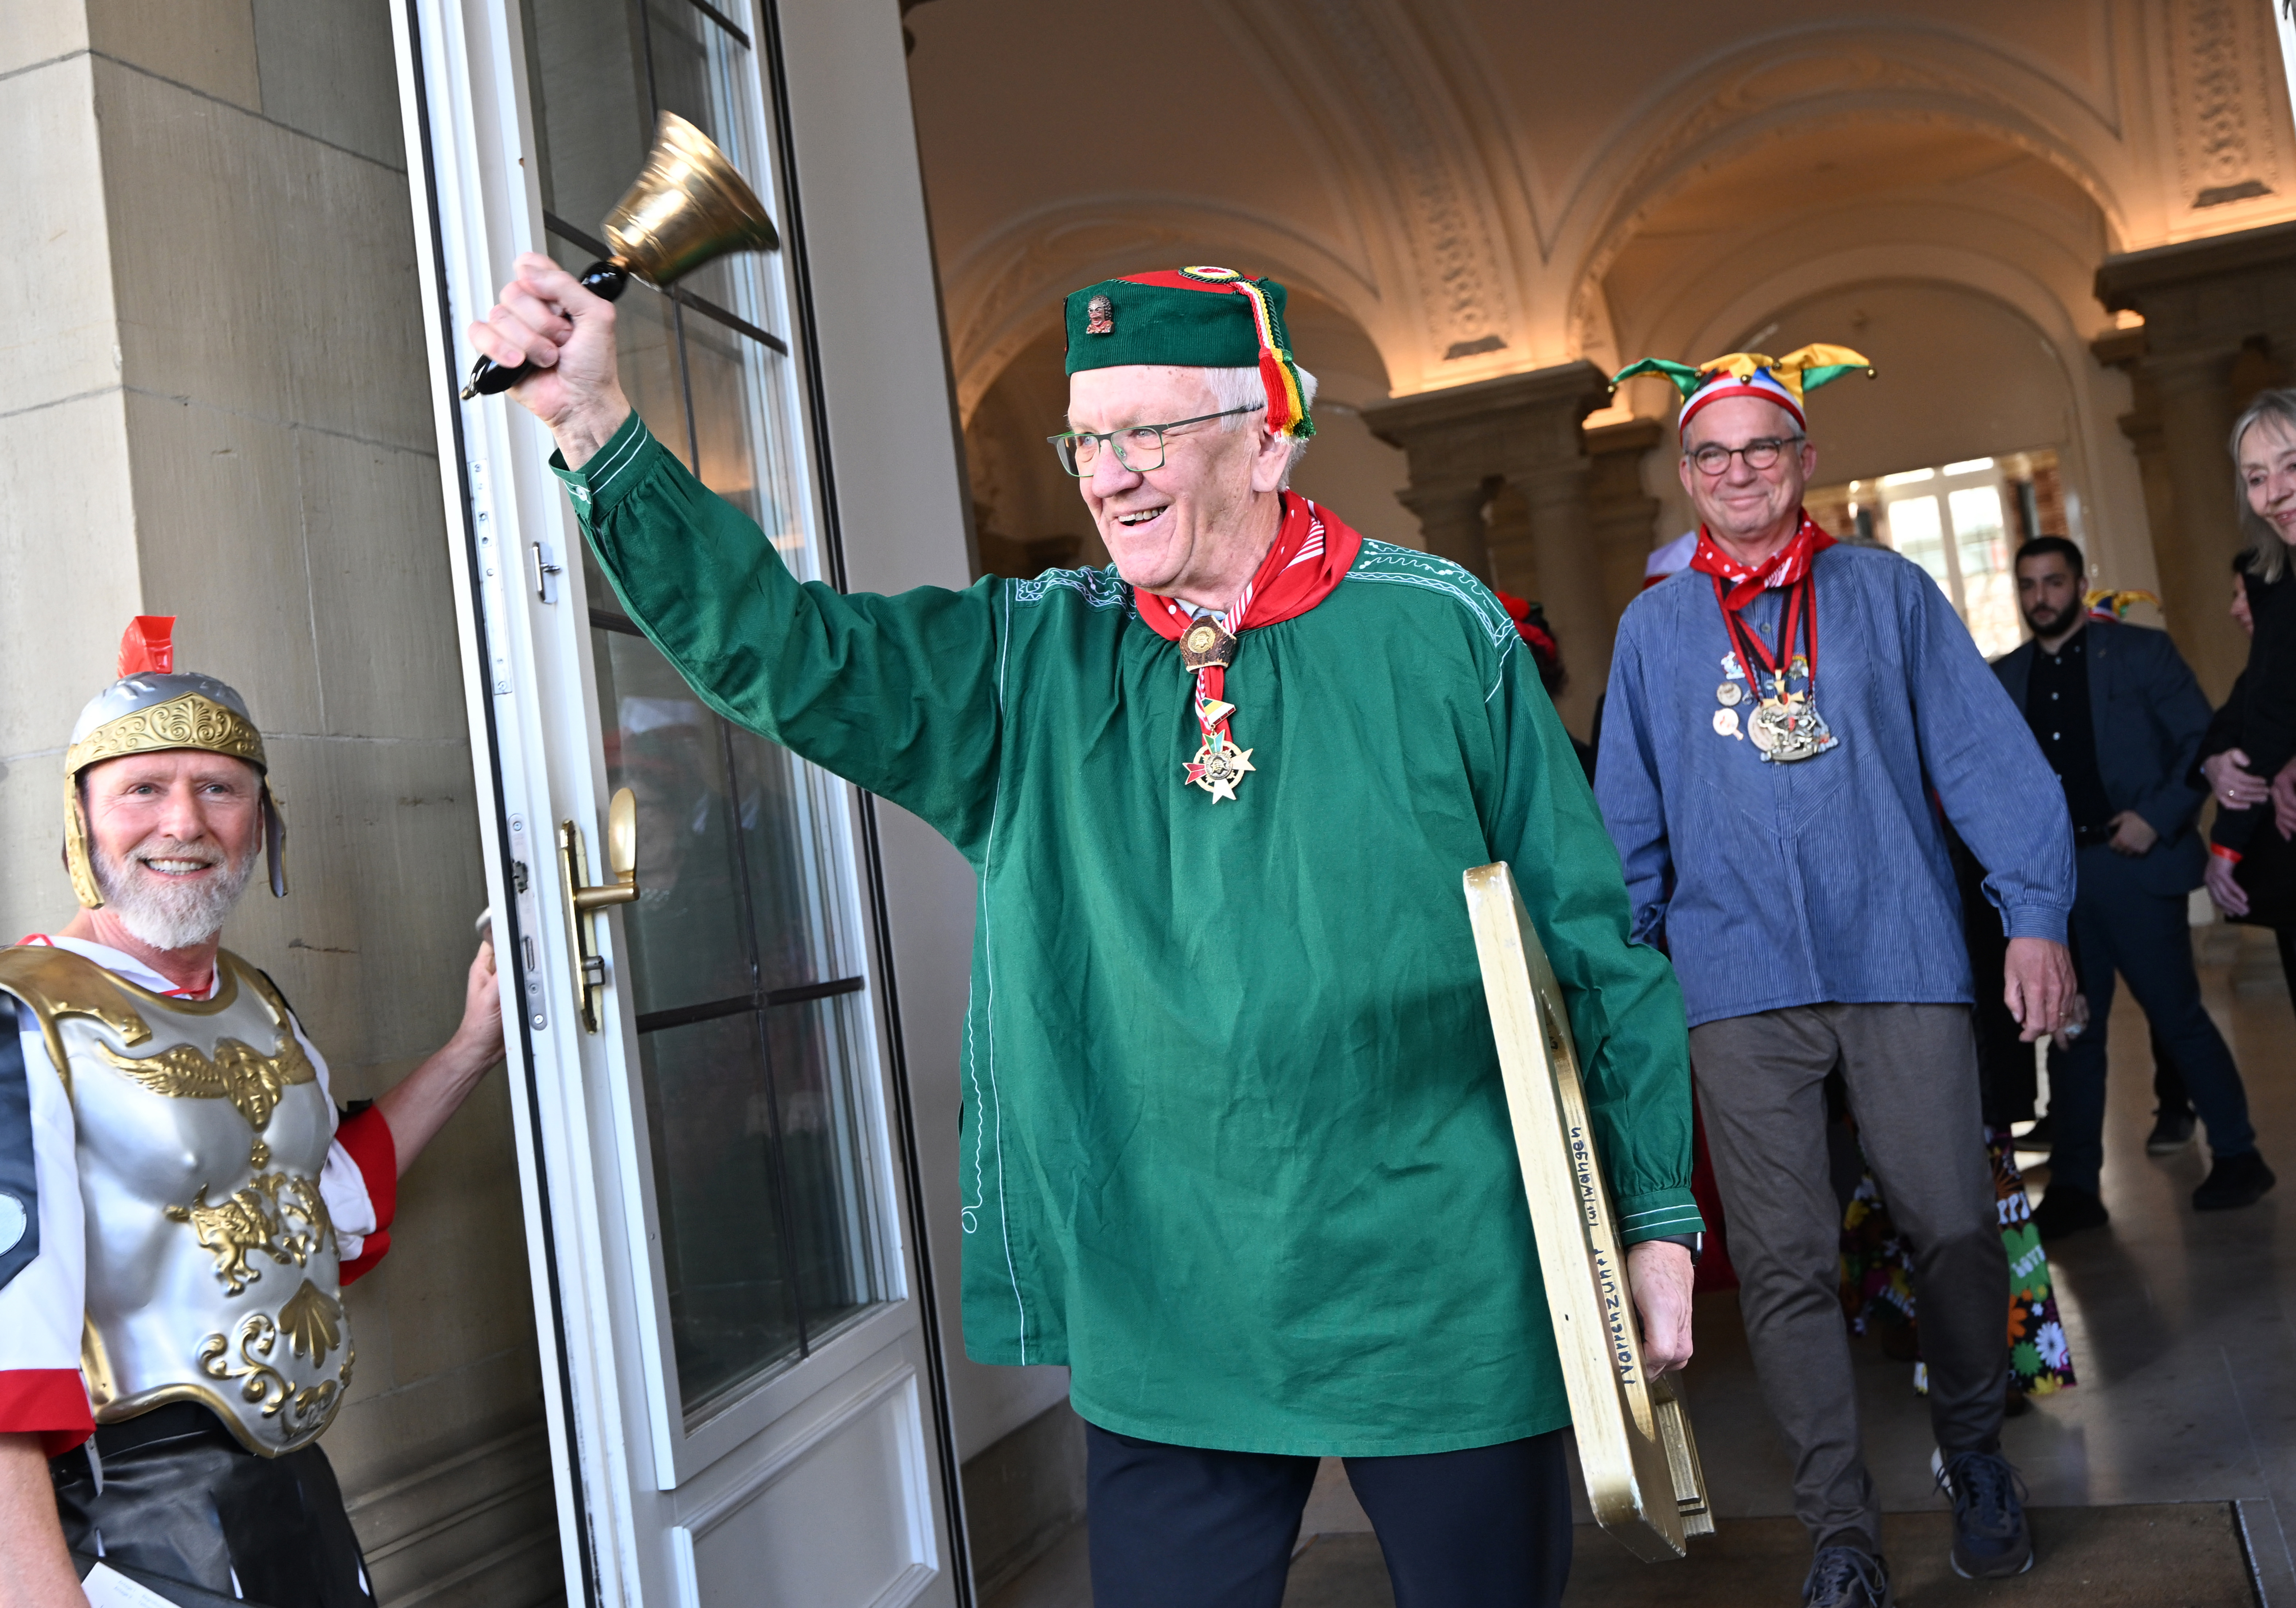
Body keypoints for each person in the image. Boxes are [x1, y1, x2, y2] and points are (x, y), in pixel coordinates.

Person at [468, 257, 1701, 1608]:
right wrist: (595, 426)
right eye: (1085, 441)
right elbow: (785, 650)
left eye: (1147, 434)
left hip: (1440, 1273)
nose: (1106, 477)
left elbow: (1590, 941)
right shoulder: (1026, 658)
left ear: (1267, 437)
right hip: (1162, 1286)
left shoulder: (1442, 628)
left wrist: (1650, 1216)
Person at [1599, 347, 2075, 1606]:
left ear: (1803, 459)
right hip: (1734, 979)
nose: (1738, 472)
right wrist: (1629, 981)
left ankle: (1974, 1450)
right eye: (1712, 453)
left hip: (1897, 951)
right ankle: (1840, 1532)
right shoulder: (1653, 630)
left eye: (1762, 447)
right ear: (1685, 473)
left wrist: (2034, 916)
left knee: (1953, 1224)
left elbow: (1985, 759)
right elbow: (1626, 826)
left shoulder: (1885, 591)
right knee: (1784, 1262)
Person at [0, 618, 504, 1607]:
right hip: (128, 1526)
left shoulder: (255, 999)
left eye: (219, 788)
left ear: (262, 822)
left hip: (294, 1486)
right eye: (143, 788)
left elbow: (323, 1202)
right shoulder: (24, 1019)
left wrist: (470, 1048)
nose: (184, 822)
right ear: (82, 822)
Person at [1994, 537, 2268, 1231]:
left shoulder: (2141, 653)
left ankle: (2239, 1154)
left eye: (2054, 582)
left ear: (2081, 583)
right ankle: (2077, 1187)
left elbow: (2201, 741)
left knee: (2177, 1017)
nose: (2041, 598)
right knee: (2072, 1033)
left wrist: (2155, 817)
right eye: (2029, 585)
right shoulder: (2007, 677)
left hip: (2135, 866)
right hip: (2057, 883)